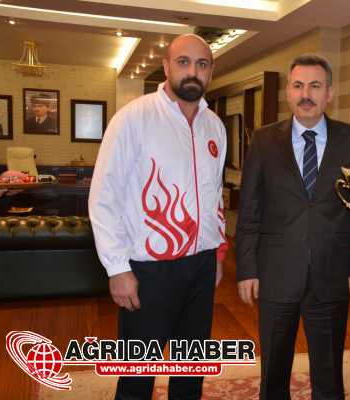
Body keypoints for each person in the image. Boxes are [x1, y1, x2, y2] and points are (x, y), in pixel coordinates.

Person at [88, 33, 227, 399]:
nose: (192, 71)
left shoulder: (215, 126)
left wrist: (217, 253)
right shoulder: (133, 118)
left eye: (202, 64)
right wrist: (117, 268)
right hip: (148, 270)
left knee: (190, 371)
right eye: (183, 62)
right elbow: (103, 196)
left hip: (201, 266)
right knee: (137, 377)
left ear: (210, 71)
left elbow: (214, 195)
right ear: (166, 67)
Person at [235, 54, 350, 400]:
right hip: (276, 273)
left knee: (329, 373)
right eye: (298, 86)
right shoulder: (263, 140)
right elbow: (249, 210)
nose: (305, 94)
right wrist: (247, 269)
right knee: (273, 372)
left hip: (332, 273)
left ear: (329, 93)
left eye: (315, 86)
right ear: (288, 92)